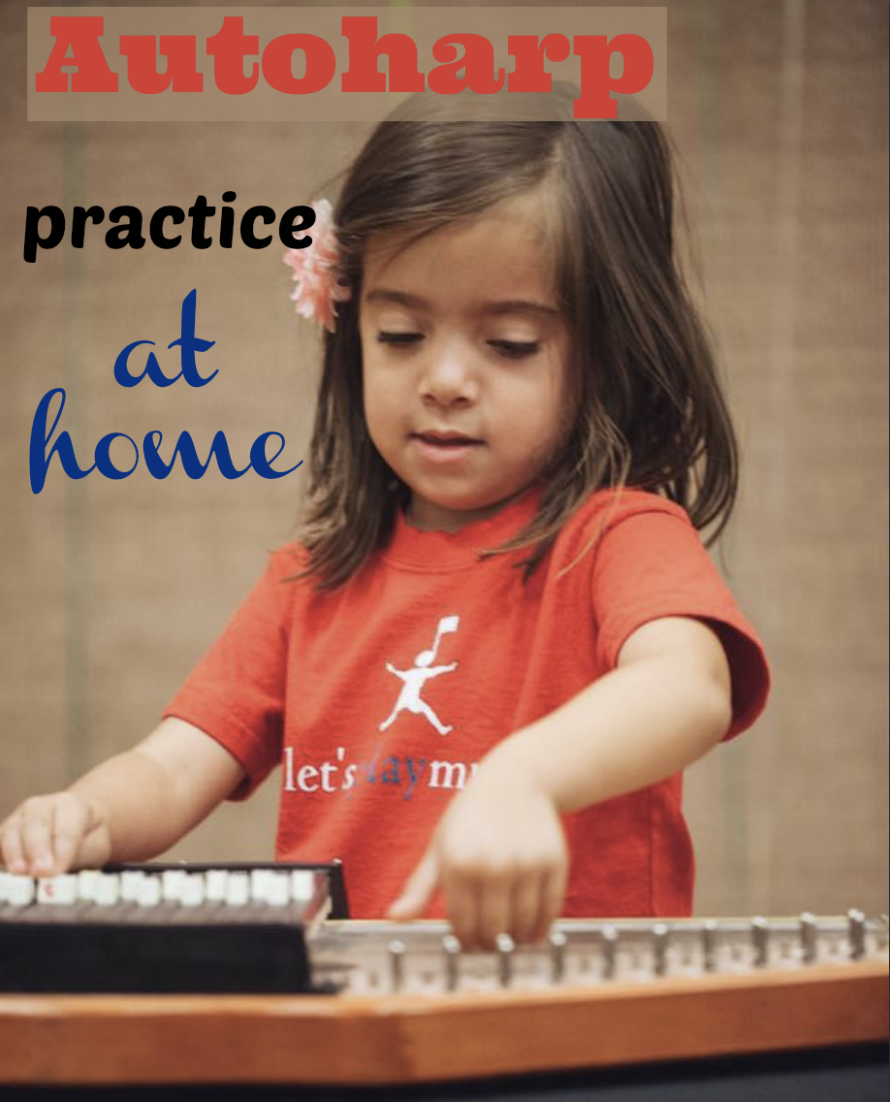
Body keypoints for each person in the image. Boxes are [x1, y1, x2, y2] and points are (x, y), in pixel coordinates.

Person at [0, 87, 769, 950]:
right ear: (349, 329)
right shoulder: (306, 580)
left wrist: (521, 777)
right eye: (400, 334)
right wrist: (85, 816)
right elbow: (173, 766)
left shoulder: (617, 538)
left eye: (510, 344)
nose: (443, 379)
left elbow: (689, 686)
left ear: (610, 354)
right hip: (355, 1028)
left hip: (574, 1025)